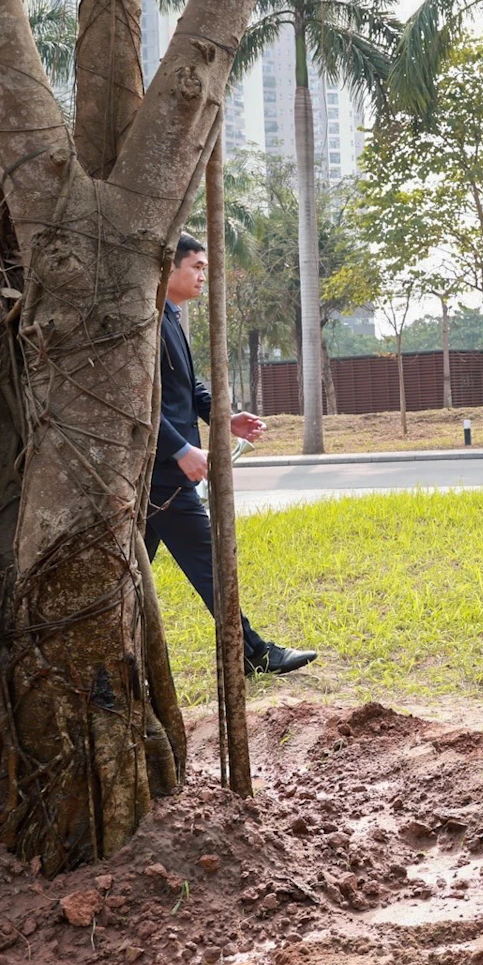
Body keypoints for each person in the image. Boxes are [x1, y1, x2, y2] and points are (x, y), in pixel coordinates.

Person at [150, 234, 317, 677]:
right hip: (159, 476)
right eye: (198, 267)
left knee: (130, 580)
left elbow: (187, 391)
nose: (204, 275)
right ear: (170, 267)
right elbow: (137, 399)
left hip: (161, 477)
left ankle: (107, 671)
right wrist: (180, 448)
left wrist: (223, 419)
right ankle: (255, 653)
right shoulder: (147, 319)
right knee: (211, 566)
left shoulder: (170, 316)